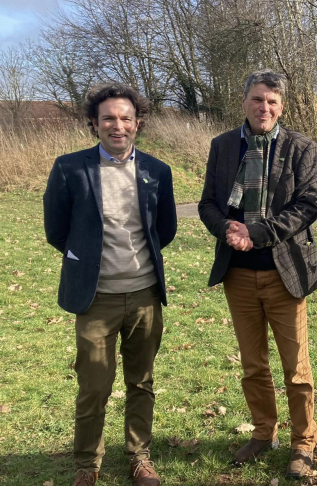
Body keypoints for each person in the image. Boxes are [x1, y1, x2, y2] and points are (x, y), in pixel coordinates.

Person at [43, 84, 177, 486]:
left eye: (125, 118)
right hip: (95, 298)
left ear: (137, 123)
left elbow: (164, 229)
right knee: (94, 387)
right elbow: (57, 231)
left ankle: (140, 457)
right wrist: (90, 261)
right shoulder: (69, 169)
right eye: (108, 118)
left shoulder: (157, 170)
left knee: (142, 382)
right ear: (94, 123)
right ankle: (88, 464)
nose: (117, 126)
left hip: (144, 295)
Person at [198, 69, 317, 478]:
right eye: (257, 99)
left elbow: (307, 207)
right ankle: (264, 432)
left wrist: (257, 233)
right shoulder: (222, 147)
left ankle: (303, 442)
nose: (263, 107)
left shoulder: (301, 148)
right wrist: (227, 230)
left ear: (281, 106)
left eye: (271, 100)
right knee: (253, 365)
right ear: (244, 103)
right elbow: (208, 204)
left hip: (284, 273)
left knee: (296, 368)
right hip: (238, 274)